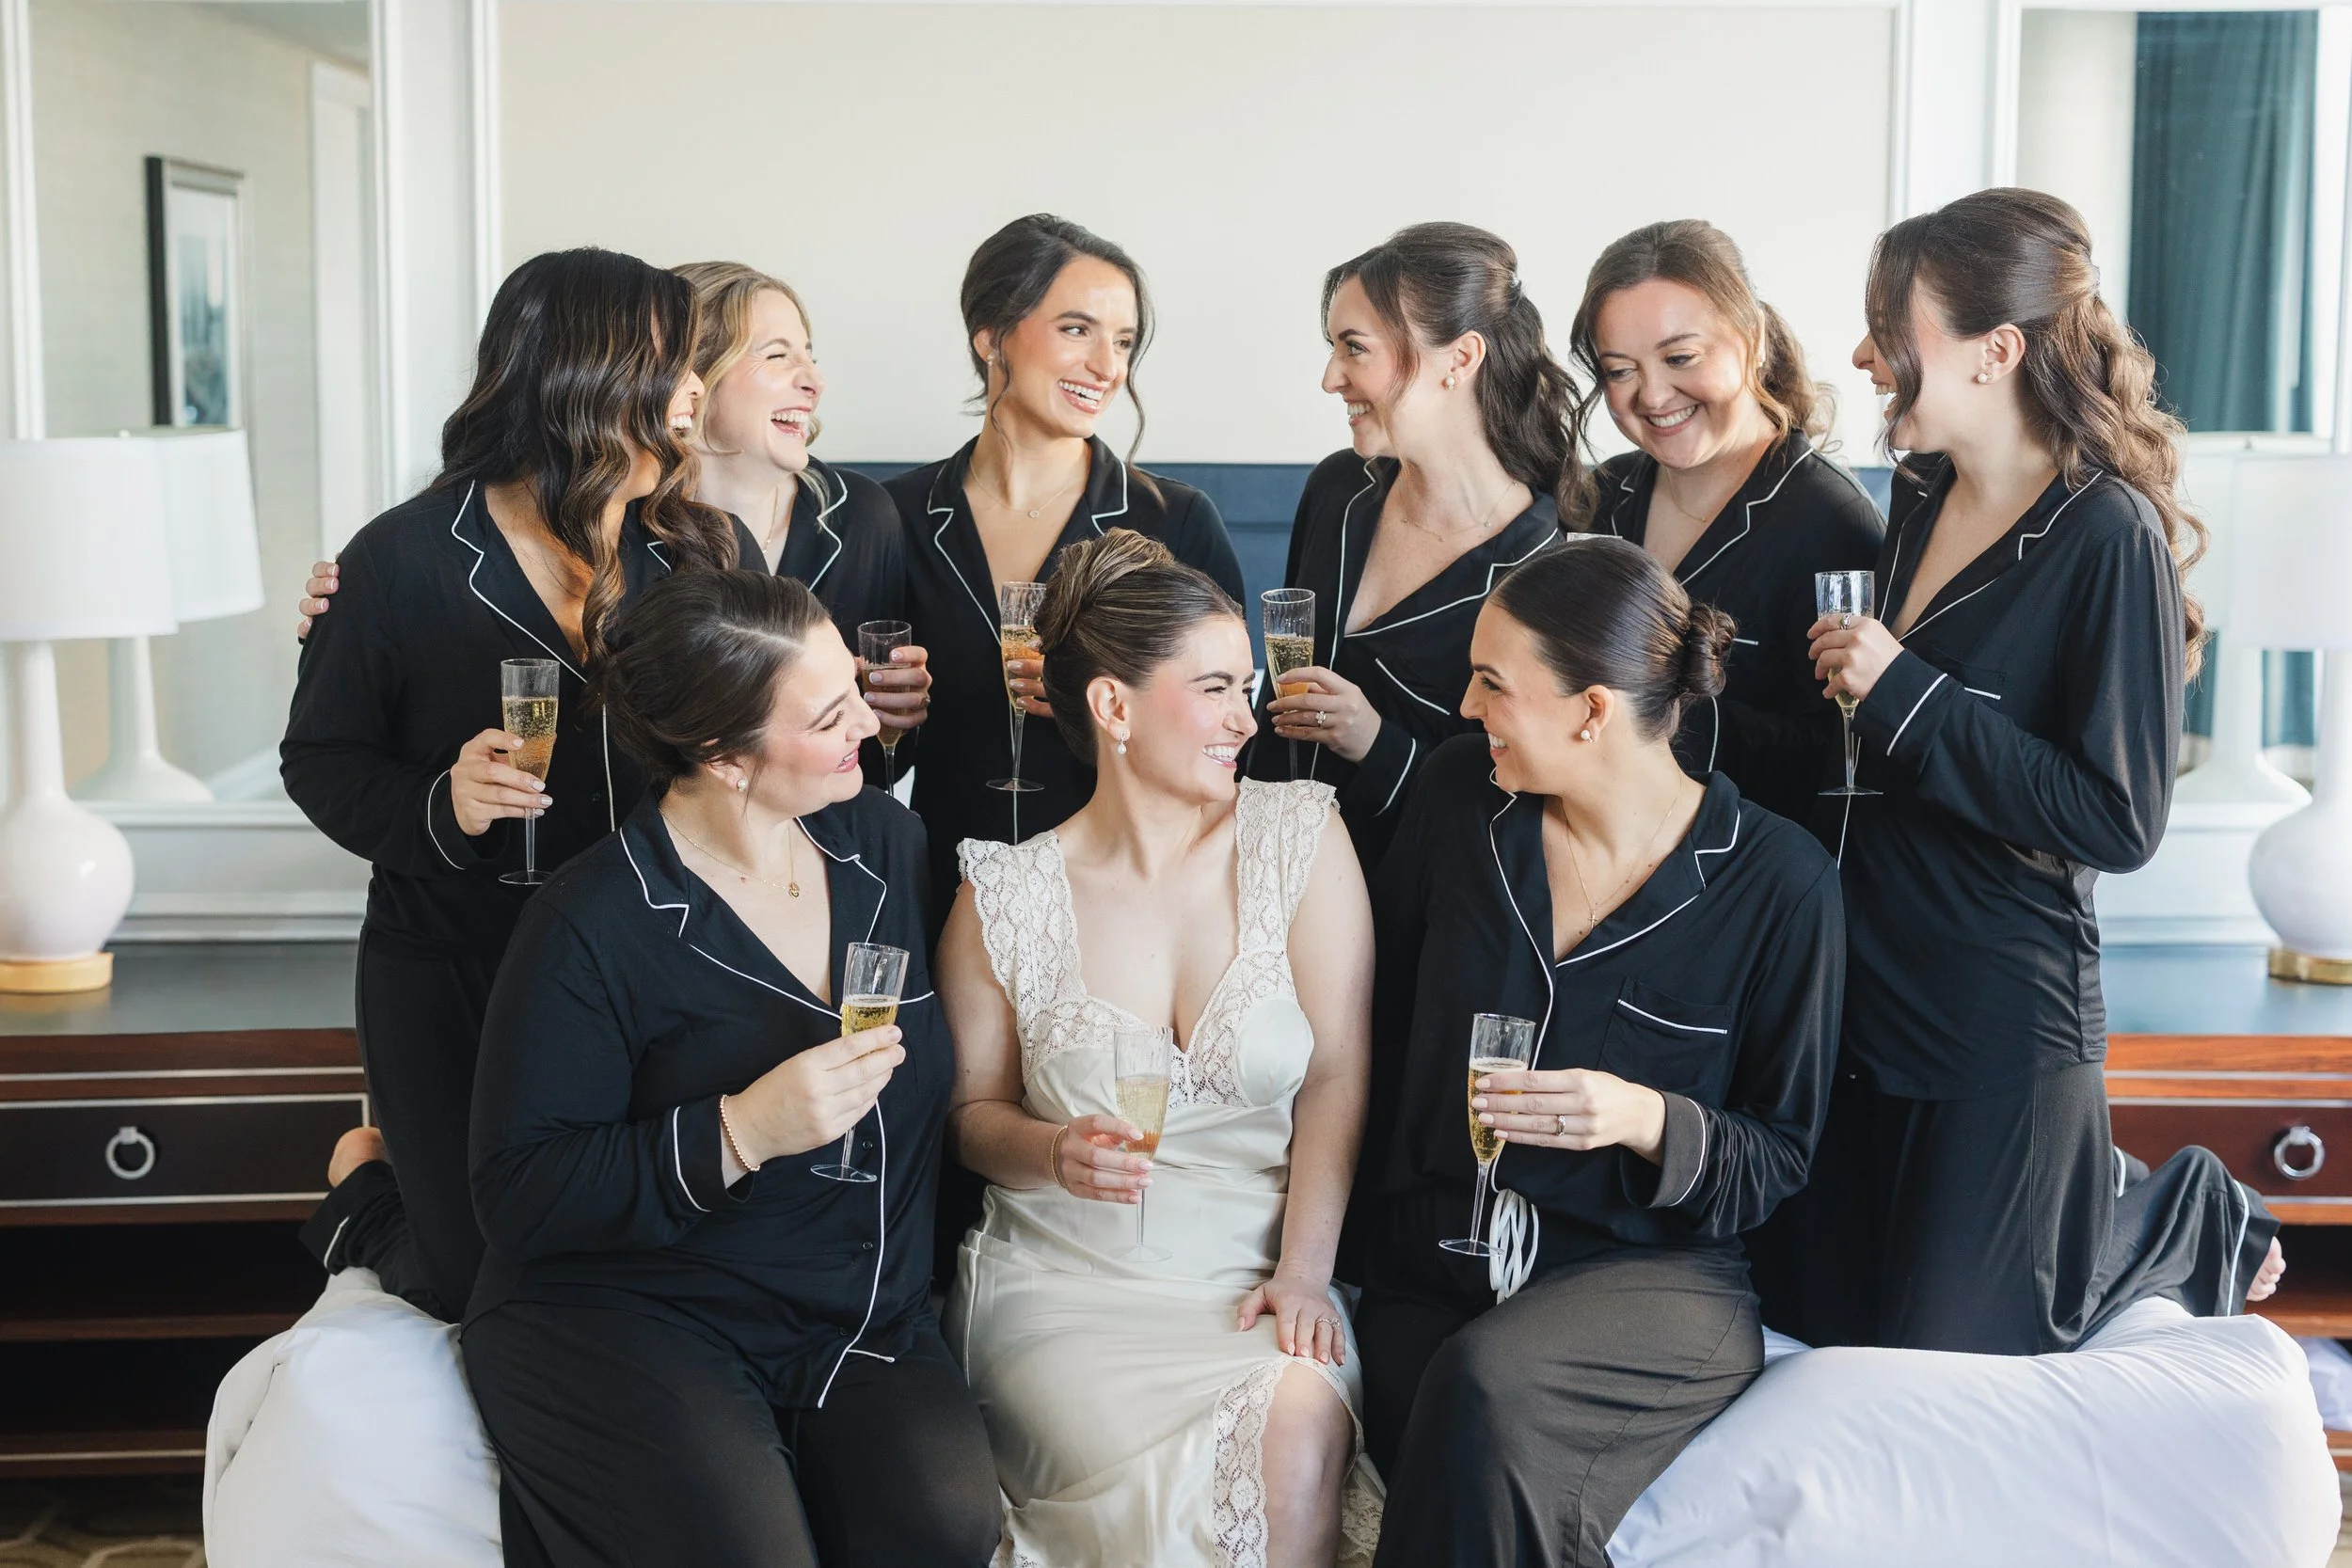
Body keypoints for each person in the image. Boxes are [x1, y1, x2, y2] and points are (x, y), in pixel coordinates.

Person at [1792, 187, 2283, 1353]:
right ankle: (2084, 1186)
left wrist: (1902, 689)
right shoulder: (1912, 498)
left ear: (1993, 351)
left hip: (1996, 1013)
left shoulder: (2103, 534)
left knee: (1959, 1344)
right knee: (1832, 1321)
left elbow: (2115, 817)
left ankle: (2172, 1207)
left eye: (1888, 330)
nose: (1863, 356)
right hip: (1864, 990)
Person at [461, 568, 996, 1568]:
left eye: (855, 693)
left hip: (854, 1312)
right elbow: (519, 1191)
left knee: (945, 1524)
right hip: (644, 1314)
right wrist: (741, 1130)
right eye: (831, 714)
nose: (870, 733)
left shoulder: (886, 843)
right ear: (723, 754)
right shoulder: (592, 920)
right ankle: (373, 1201)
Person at [1351, 536, 1842, 1568]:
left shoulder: (1778, 882)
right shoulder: (1458, 803)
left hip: (1650, 1278)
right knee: (1444, 1389)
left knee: (1484, 1387)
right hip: (1438, 1258)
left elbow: (1780, 1153)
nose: (1465, 707)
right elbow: (1373, 1026)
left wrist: (1641, 1115)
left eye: (1492, 683)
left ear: (1590, 710)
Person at [282, 247, 754, 1321]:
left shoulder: (698, 556)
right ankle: (366, 1189)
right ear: (593, 375)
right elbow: (319, 760)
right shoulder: (401, 561)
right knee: (476, 1288)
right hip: (454, 968)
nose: (694, 388)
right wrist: (441, 803)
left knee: (623, 1254)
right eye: (674, 361)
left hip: (641, 968)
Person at [937, 531, 1383, 1568]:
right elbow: (967, 1118)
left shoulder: (1299, 835)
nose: (1247, 716)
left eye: (1248, 687)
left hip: (1252, 1271)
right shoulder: (1002, 894)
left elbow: (1335, 1074)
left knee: (1300, 1407)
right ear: (1113, 706)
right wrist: (1051, 1152)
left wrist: (1305, 1274)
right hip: (1063, 1288)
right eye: (1218, 687)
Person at [882, 214, 1246, 920]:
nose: (1108, 367)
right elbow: (855, 759)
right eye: (1077, 329)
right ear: (991, 335)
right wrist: (884, 722)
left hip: (1125, 906)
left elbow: (1231, 735)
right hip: (937, 890)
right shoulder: (892, 517)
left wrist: (1107, 716)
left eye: (1124, 341)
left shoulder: (1174, 520)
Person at [1243, 222, 1576, 872]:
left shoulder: (1542, 568)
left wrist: (1374, 741)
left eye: (1354, 349)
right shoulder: (1337, 491)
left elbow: (1514, 805)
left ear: (1460, 358)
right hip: (1259, 875)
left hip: (1408, 909)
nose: (1330, 378)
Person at [1569, 219, 1883, 826]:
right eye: (1619, 370)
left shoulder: (1833, 523)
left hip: (1740, 878)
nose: (1653, 396)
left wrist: (1655, 714)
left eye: (1680, 357)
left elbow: (1844, 757)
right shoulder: (1599, 499)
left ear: (1753, 337)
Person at [675, 261, 930, 769]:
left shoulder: (861, 516)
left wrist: (893, 718)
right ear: (692, 377)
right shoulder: (627, 529)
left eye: (810, 358)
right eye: (777, 356)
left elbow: (884, 765)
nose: (814, 382)